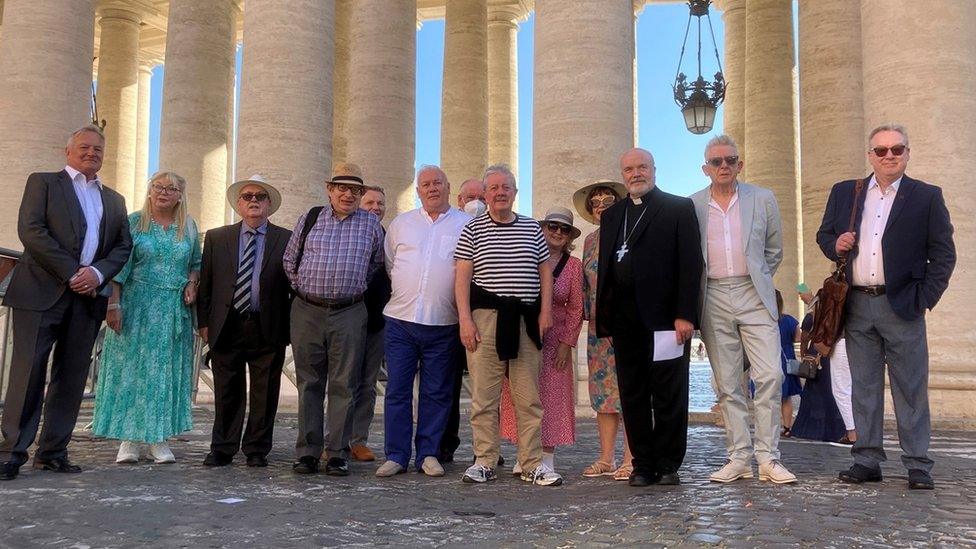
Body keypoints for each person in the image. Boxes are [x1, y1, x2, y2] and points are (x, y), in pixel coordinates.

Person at [817, 123, 955, 490]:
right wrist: (836, 245)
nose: (889, 156)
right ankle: (867, 459)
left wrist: (924, 298)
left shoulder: (926, 196)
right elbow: (824, 235)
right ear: (870, 155)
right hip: (858, 304)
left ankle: (918, 464)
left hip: (903, 305)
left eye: (897, 150)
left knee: (910, 387)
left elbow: (943, 255)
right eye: (881, 151)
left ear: (908, 153)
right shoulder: (846, 192)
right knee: (864, 386)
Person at [0, 126, 132, 481]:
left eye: (98, 149)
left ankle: (53, 451)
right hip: (41, 294)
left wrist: (97, 275)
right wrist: (74, 272)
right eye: (84, 147)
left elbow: (122, 246)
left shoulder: (115, 200)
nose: (91, 153)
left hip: (88, 299)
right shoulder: (43, 182)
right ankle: (11, 451)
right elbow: (31, 230)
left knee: (71, 377)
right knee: (27, 374)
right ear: (68, 150)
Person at [690, 135, 797, 485]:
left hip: (753, 292)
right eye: (716, 162)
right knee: (727, 382)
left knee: (770, 375)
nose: (724, 166)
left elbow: (774, 250)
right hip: (714, 294)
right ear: (706, 169)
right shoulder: (692, 205)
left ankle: (768, 457)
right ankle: (738, 457)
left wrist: (758, 278)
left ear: (740, 164)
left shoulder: (763, 198)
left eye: (730, 160)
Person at [595, 148, 703, 487]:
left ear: (654, 170)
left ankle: (669, 463)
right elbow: (608, 271)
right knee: (633, 393)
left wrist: (685, 314)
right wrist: (606, 319)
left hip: (666, 320)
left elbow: (690, 265)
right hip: (625, 321)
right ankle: (642, 463)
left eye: (642, 167)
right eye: (629, 168)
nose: (636, 173)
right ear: (623, 174)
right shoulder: (613, 216)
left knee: (669, 391)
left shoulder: (677, 207)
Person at [454, 164, 561, 486]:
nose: (500, 193)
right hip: (486, 320)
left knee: (528, 398)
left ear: (515, 193)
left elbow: (545, 273)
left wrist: (545, 312)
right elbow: (462, 278)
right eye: (494, 188)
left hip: (526, 319)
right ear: (485, 194)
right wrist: (465, 320)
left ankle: (531, 463)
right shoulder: (472, 230)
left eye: (506, 187)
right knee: (484, 398)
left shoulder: (531, 229)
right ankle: (485, 460)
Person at [92, 171, 201, 464]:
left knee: (164, 373)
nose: (163, 192)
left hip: (172, 310)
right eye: (158, 186)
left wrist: (191, 283)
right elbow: (119, 266)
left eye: (171, 188)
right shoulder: (134, 221)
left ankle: (158, 438)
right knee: (132, 371)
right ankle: (129, 439)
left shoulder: (188, 227)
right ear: (150, 190)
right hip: (136, 304)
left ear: (180, 195)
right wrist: (113, 305)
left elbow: (195, 264)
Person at [283, 163, 384, 476]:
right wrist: (304, 288)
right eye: (341, 187)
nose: (348, 194)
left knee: (344, 384)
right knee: (309, 383)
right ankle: (308, 452)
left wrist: (349, 290)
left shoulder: (370, 225)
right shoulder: (311, 217)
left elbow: (375, 264)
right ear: (330, 190)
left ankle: (338, 452)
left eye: (354, 189)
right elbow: (290, 259)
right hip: (307, 310)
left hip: (349, 312)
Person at [375, 166, 469, 478]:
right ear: (418, 191)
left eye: (437, 183)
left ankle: (428, 453)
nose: (431, 188)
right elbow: (391, 264)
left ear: (447, 186)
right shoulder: (401, 224)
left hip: (444, 322)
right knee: (398, 390)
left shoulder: (465, 224)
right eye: (425, 184)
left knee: (437, 392)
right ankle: (397, 455)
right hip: (401, 320)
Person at [197, 175, 292, 468]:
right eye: (248, 196)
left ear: (269, 205)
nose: (254, 200)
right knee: (227, 389)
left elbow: (292, 285)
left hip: (267, 325)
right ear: (239, 203)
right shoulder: (217, 237)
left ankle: (256, 449)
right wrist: (203, 323)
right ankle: (222, 447)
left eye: (260, 196)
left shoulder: (286, 239)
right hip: (227, 323)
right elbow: (207, 284)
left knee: (265, 392)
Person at [499, 207, 584, 476]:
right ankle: (524, 452)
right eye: (552, 227)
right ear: (543, 228)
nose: (558, 232)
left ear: (569, 235)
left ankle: (546, 454)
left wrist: (566, 342)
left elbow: (576, 308)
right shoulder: (527, 257)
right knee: (519, 394)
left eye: (564, 229)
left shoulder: (574, 266)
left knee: (553, 397)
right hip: (523, 334)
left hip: (555, 340)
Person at [573, 180, 634, 481]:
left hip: (628, 325)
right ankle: (606, 457)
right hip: (599, 327)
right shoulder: (589, 241)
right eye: (595, 204)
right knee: (603, 394)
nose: (601, 207)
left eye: (607, 201)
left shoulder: (631, 235)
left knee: (630, 391)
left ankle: (631, 457)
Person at [440, 176, 487, 463]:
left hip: (485, 318)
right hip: (450, 318)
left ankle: (486, 447)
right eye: (469, 196)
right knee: (448, 385)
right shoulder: (450, 226)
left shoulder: (500, 227)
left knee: (486, 387)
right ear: (459, 200)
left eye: (480, 196)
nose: (475, 202)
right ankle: (446, 443)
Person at [346, 185, 392, 462]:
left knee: (367, 383)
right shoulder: (346, 233)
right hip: (346, 318)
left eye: (380, 204)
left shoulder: (390, 237)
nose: (375, 207)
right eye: (370, 202)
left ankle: (358, 440)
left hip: (376, 320)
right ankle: (335, 439)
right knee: (342, 382)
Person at [790, 292, 847, 444]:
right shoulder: (835, 317)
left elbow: (804, 339)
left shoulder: (811, 317)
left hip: (815, 353)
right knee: (831, 391)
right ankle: (835, 429)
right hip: (830, 353)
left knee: (813, 393)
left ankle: (810, 429)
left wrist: (804, 355)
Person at [775, 290, 802, 437]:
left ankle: (770, 428)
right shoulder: (790, 321)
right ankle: (787, 427)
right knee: (786, 398)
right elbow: (798, 338)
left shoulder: (764, 321)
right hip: (787, 358)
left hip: (770, 356)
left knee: (769, 396)